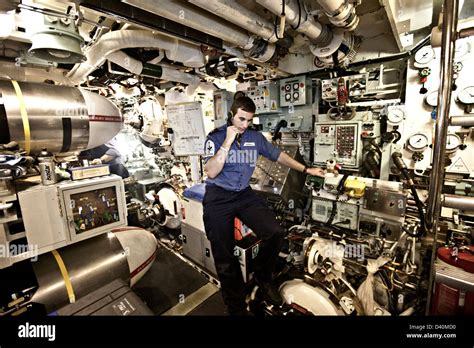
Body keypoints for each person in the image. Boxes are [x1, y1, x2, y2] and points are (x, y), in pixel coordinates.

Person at [202, 97, 325, 315]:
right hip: (218, 197)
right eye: (241, 119)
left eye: (249, 120)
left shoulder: (255, 138)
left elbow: (279, 156)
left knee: (275, 232)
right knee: (224, 256)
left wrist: (306, 170)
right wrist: (228, 142)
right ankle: (236, 307)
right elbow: (211, 171)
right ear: (231, 115)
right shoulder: (216, 137)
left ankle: (262, 276)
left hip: (243, 194)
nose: (244, 125)